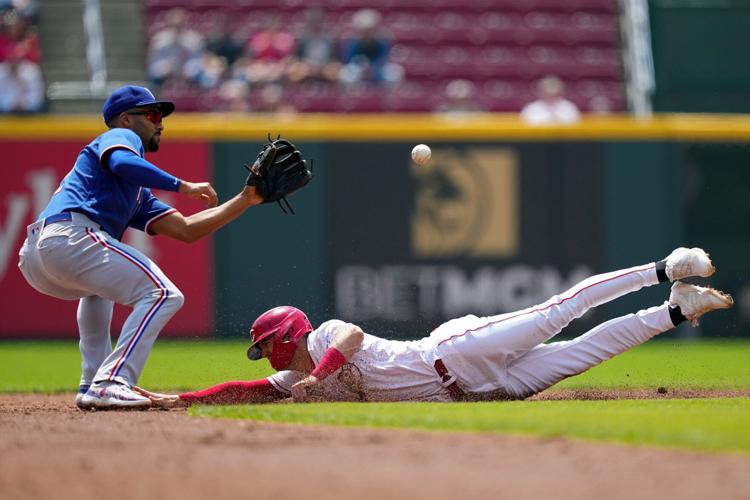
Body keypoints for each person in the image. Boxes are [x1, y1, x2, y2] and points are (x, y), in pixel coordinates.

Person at [137, 248, 733, 407]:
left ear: (289, 334)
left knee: (558, 313)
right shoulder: (297, 381)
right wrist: (178, 399)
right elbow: (238, 392)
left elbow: (348, 341)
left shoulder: (321, 340)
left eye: (266, 345)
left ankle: (663, 269)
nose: (264, 358)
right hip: (484, 391)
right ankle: (679, 309)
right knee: (584, 352)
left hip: (458, 351)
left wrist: (318, 374)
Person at [17, 85, 265, 410]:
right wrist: (183, 185)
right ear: (126, 119)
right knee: (163, 294)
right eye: (152, 114)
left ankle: (94, 380)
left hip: (40, 256)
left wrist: (245, 200)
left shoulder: (137, 194)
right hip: (69, 236)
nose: (160, 122)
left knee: (98, 290)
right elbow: (122, 162)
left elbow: (186, 230)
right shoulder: (119, 137)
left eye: (161, 115)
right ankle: (111, 381)